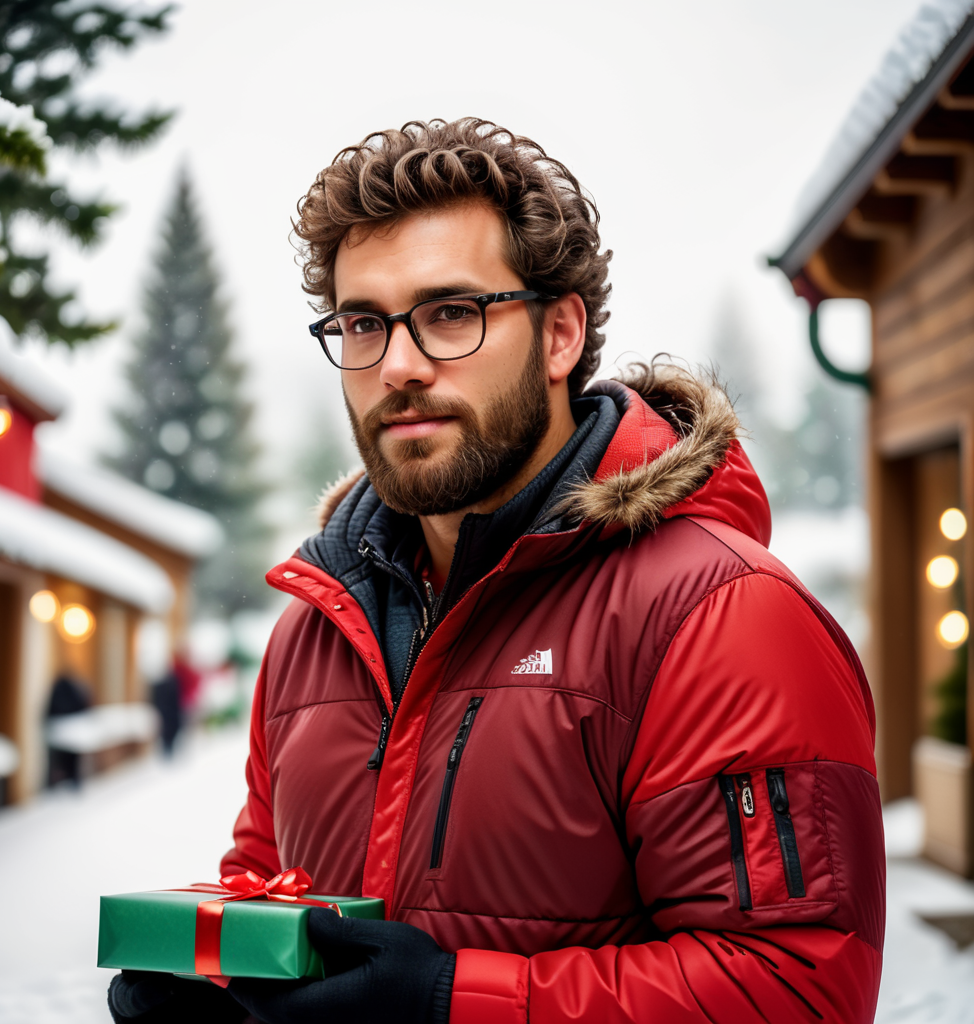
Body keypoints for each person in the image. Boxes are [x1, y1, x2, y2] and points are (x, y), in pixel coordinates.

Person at [108, 118, 884, 1024]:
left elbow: (796, 988)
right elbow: (268, 888)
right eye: (364, 324)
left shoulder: (720, 615)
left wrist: (449, 1004)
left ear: (559, 335)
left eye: (450, 314)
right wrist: (223, 986)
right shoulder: (312, 631)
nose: (397, 366)